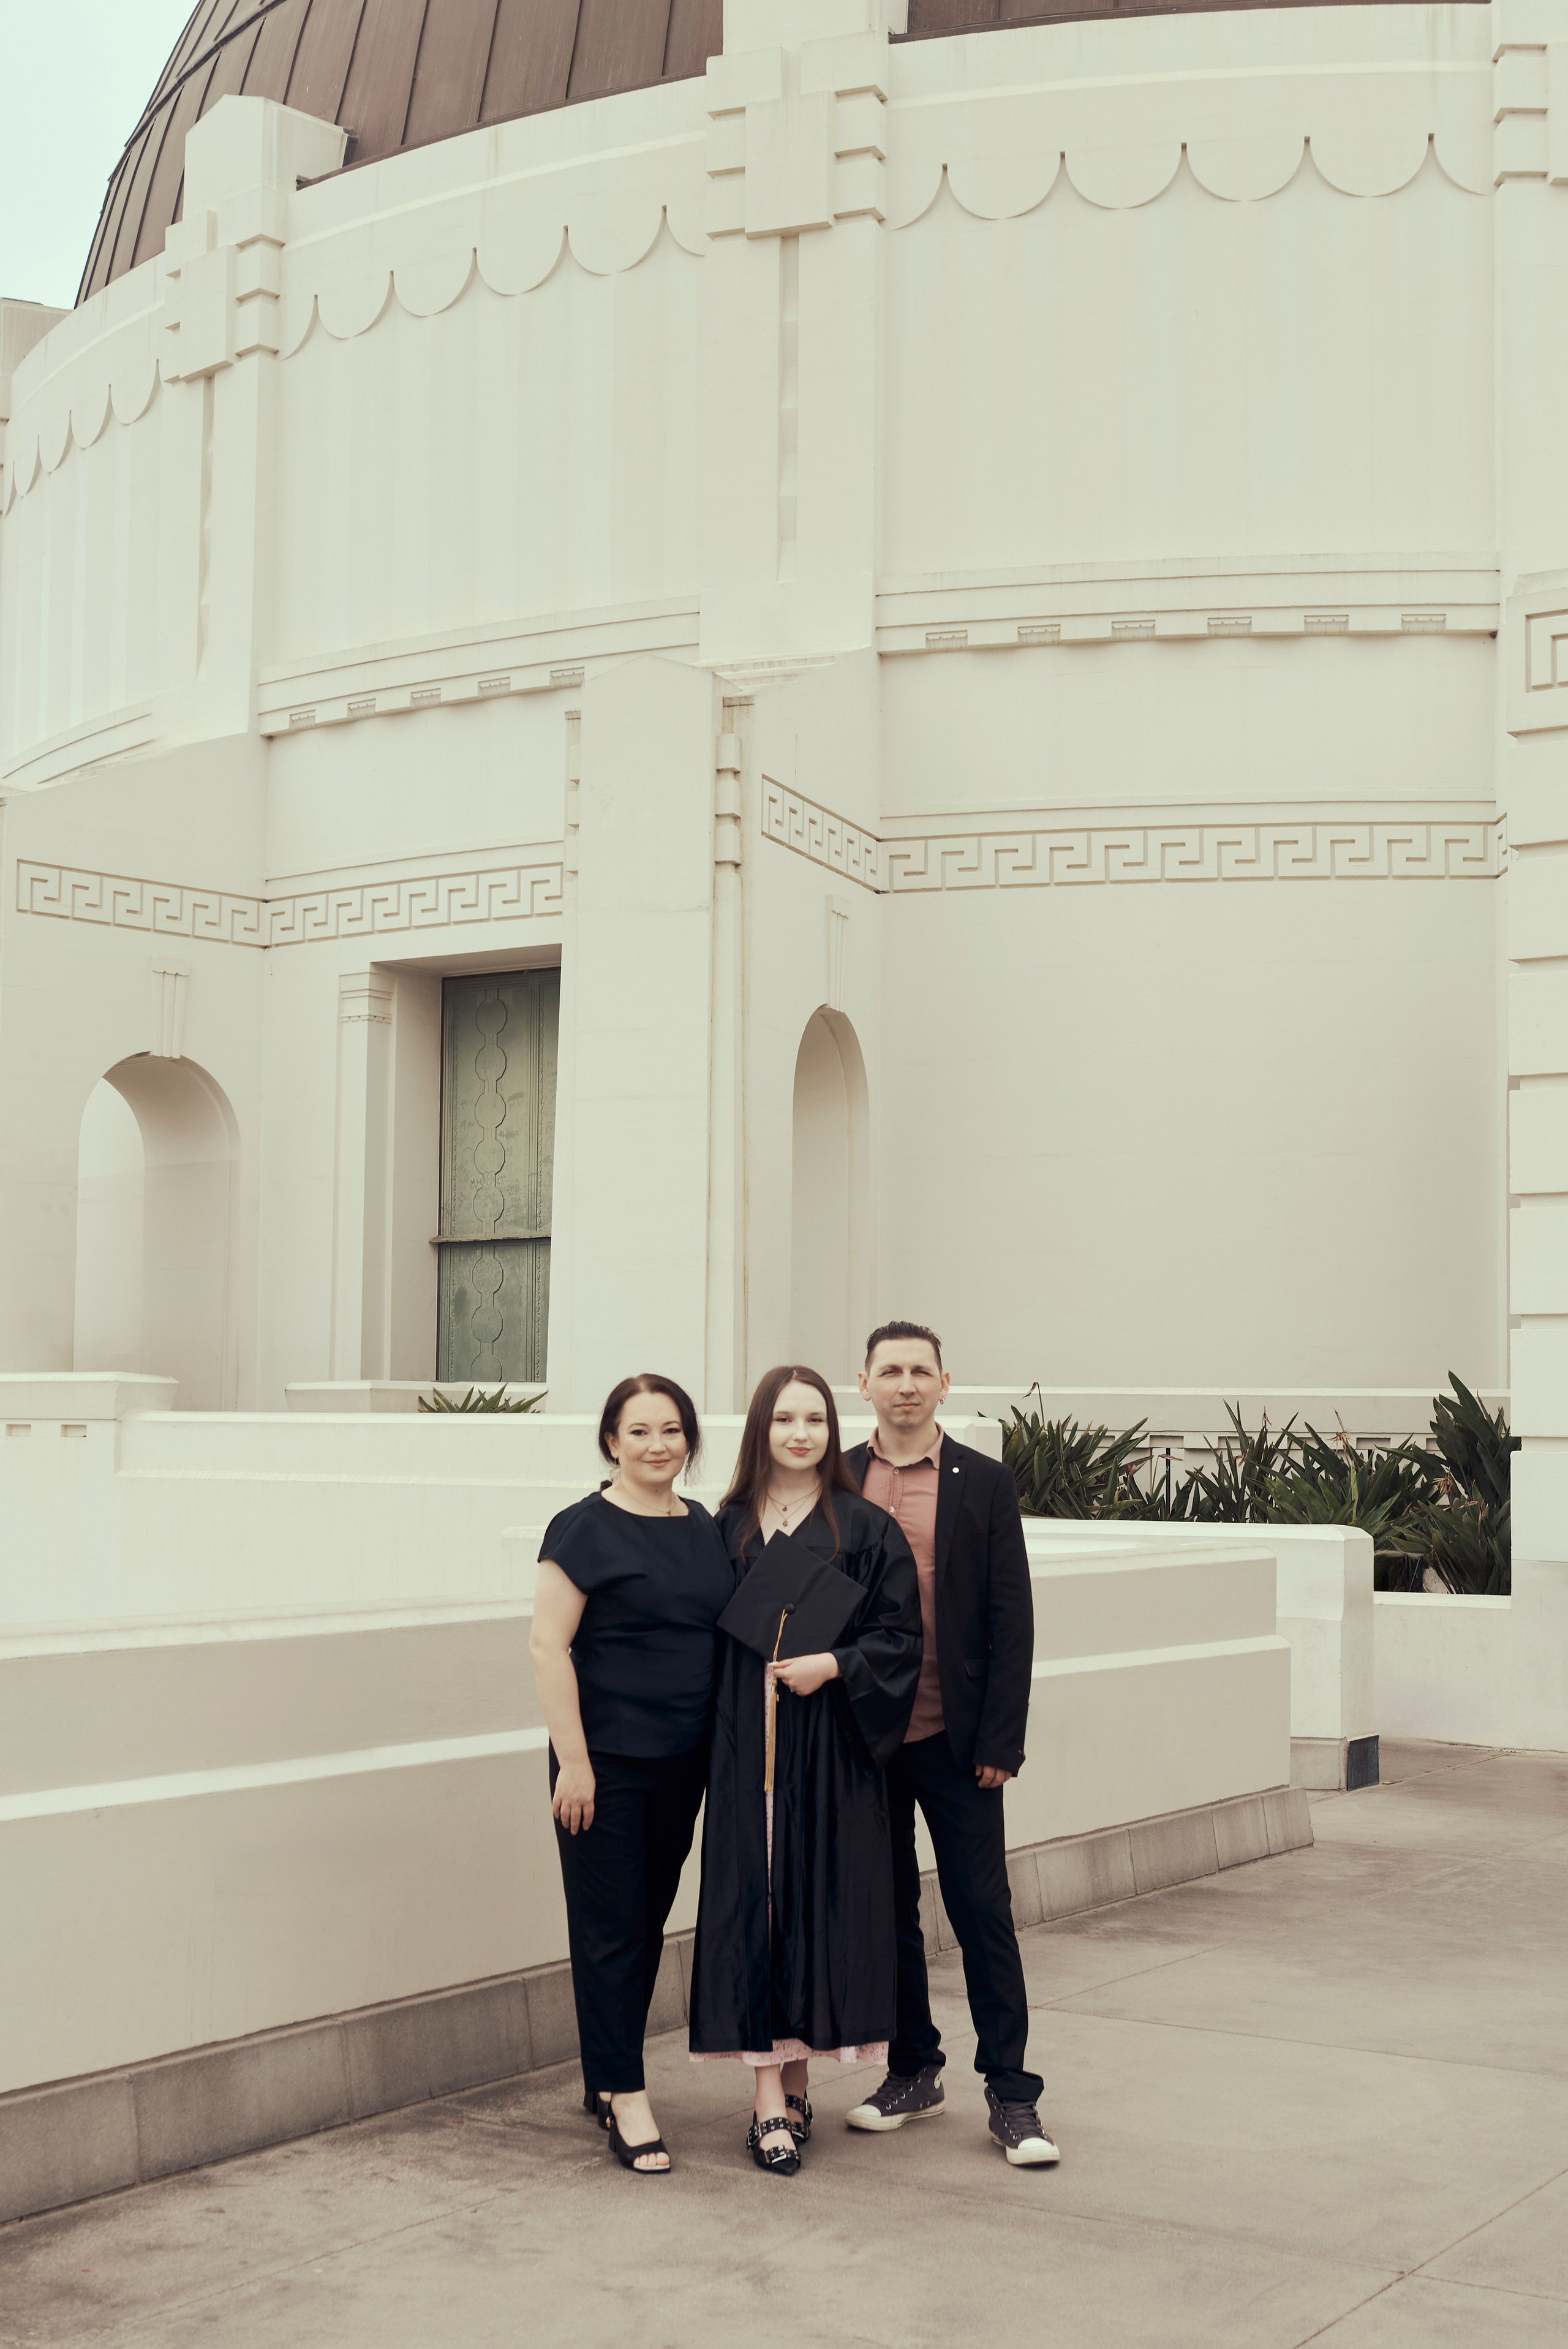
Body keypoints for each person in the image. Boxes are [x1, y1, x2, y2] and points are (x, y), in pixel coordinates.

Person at [688, 1365, 922, 2176]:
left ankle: (792, 2085)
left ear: (832, 1431)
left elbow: (900, 1639)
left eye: (814, 1419)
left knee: (808, 1907)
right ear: (761, 1430)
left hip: (827, 1750)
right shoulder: (721, 1528)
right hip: (740, 1747)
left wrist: (835, 1664)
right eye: (784, 1419)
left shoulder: (864, 1528)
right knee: (754, 1905)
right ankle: (766, 2108)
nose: (799, 1433)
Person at [842, 1322, 1061, 2167]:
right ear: (862, 1384)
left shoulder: (984, 1483)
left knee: (982, 1916)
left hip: (958, 1738)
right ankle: (913, 2071)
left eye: (919, 1371)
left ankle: (1012, 2094)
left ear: (943, 1383)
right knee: (888, 1911)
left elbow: (1013, 1619)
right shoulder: (839, 1479)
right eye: (889, 1370)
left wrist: (1002, 1737)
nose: (905, 1384)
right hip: (865, 1739)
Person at [530, 1374, 734, 2175]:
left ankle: (602, 2074)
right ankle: (626, 2092)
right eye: (640, 1431)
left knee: (646, 1920)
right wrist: (574, 1762)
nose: (658, 1446)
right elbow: (549, 1647)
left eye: (672, 1430)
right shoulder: (581, 1529)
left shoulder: (704, 1526)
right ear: (612, 1441)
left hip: (685, 1762)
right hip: (603, 1763)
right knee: (609, 1924)